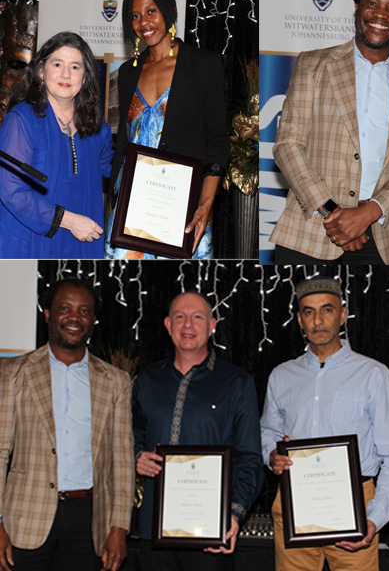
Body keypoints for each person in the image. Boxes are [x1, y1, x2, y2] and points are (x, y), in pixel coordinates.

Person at [269, 0, 389, 264]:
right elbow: (287, 145)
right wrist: (334, 213)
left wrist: (369, 213)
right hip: (312, 230)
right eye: (372, 3)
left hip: (383, 237)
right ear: (357, 7)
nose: (380, 14)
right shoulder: (313, 64)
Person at [261, 278, 389, 571]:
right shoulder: (281, 376)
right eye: (308, 312)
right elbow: (268, 431)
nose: (317, 320)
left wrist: (374, 518)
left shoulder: (372, 374)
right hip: (295, 503)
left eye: (327, 310)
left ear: (343, 315)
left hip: (354, 506)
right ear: (299, 320)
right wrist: (272, 455)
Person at [0, 279, 133, 571]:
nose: (74, 317)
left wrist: (119, 527)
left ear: (93, 319)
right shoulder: (12, 373)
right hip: (24, 518)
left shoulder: (115, 382)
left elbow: (121, 461)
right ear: (48, 313)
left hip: (90, 522)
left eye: (84, 311)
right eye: (65, 308)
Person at [133, 292, 262, 570]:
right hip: (154, 529)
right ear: (168, 325)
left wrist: (235, 514)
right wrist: (136, 456)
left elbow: (250, 458)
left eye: (197, 317)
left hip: (211, 529)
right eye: (180, 317)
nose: (188, 325)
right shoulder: (146, 380)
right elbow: (130, 433)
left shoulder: (237, 383)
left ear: (212, 325)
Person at [106, 0, 230, 259]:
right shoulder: (127, 73)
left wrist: (205, 205)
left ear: (168, 12)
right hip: (131, 208)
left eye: (151, 11)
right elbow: (125, 142)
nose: (143, 22)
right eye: (135, 16)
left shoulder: (203, 65)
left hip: (182, 207)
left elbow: (217, 143)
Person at [0, 32, 112, 258]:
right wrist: (67, 220)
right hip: (31, 242)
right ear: (41, 71)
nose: (65, 74)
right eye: (57, 64)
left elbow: (115, 170)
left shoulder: (97, 126)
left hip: (83, 241)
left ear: (85, 77)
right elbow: (11, 190)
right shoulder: (22, 120)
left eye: (75, 67)